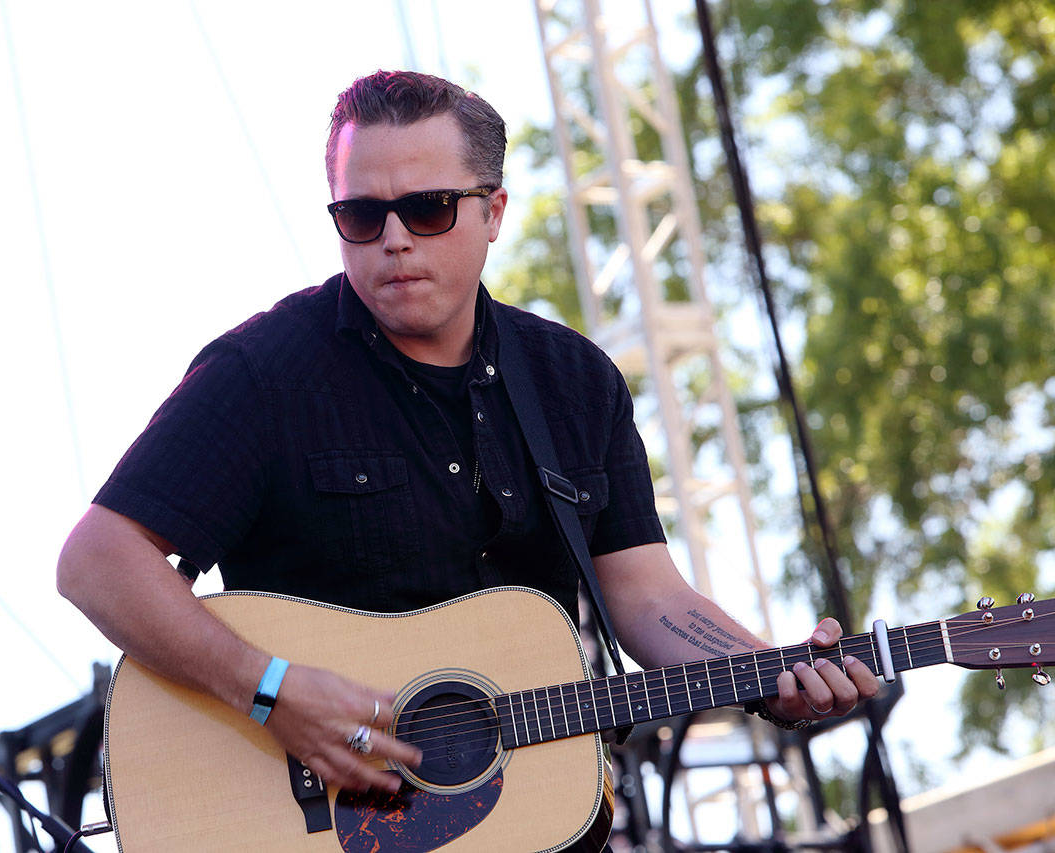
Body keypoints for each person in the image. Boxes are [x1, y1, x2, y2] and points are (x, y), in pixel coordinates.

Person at [56, 69, 878, 797]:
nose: (394, 238)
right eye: (360, 214)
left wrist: (772, 676)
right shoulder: (265, 372)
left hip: (536, 813)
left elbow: (646, 595)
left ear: (494, 212)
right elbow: (96, 560)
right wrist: (268, 690)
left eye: (426, 207)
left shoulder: (575, 382)